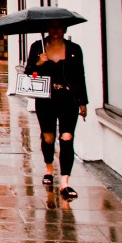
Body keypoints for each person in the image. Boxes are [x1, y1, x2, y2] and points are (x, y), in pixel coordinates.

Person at [26, 22, 89, 200]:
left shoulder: (74, 49)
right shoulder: (38, 46)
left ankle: (65, 182)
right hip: (46, 99)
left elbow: (79, 76)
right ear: (47, 29)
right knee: (48, 137)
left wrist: (83, 102)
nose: (55, 31)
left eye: (59, 27)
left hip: (68, 99)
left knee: (67, 137)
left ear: (65, 29)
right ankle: (49, 169)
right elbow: (28, 72)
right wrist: (39, 62)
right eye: (52, 27)